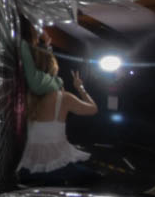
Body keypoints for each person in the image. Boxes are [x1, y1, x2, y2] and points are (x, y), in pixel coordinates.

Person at [17, 27, 98, 180]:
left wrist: (46, 46)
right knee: (95, 176)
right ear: (53, 68)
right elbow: (93, 109)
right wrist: (80, 88)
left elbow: (41, 64)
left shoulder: (30, 97)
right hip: (55, 168)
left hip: (28, 170)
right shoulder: (64, 98)